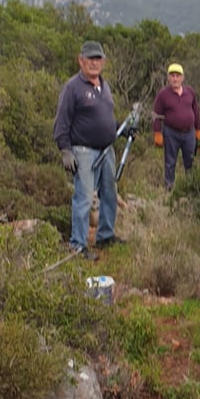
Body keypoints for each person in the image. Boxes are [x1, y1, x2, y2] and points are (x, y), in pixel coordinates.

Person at [53, 40, 124, 258]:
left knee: (109, 195)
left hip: (107, 150)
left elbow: (105, 116)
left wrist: (122, 128)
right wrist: (65, 149)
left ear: (103, 61)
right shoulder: (73, 87)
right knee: (83, 197)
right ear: (80, 60)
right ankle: (78, 245)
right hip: (83, 150)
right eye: (90, 59)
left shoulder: (105, 85)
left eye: (98, 58)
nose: (94, 63)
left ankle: (105, 236)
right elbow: (62, 121)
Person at [152, 63, 200, 190]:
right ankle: (169, 187)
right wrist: (157, 133)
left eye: (177, 76)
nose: (175, 78)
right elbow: (156, 114)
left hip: (189, 133)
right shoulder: (163, 94)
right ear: (168, 78)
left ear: (182, 78)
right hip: (171, 133)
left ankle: (191, 187)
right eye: (172, 76)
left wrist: (198, 130)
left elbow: (196, 111)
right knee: (170, 162)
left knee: (190, 161)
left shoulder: (190, 92)